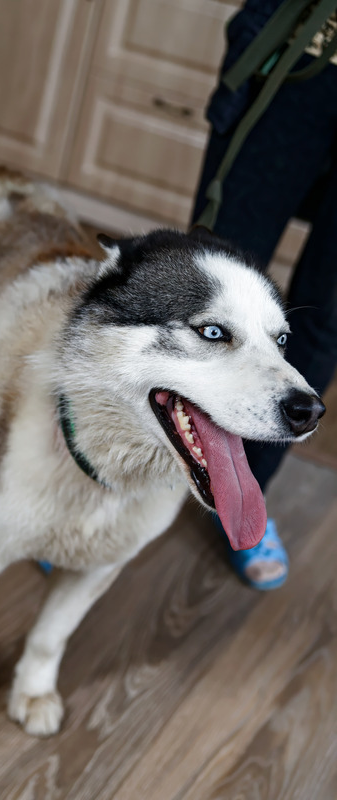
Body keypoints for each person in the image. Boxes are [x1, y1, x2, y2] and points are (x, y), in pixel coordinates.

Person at [192, 0, 337, 589]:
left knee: (327, 315)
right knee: (211, 284)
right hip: (300, 54)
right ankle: (120, 480)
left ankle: (246, 492)